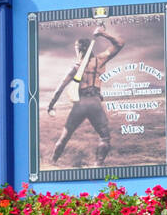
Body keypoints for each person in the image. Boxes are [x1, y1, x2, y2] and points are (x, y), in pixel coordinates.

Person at [46, 25, 124, 166]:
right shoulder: (100, 61)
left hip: (80, 104)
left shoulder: (74, 68)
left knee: (64, 137)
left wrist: (51, 105)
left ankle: (52, 163)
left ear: (78, 49)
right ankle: (98, 165)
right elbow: (120, 43)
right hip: (95, 102)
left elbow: (59, 89)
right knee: (104, 138)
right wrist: (103, 34)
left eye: (76, 48)